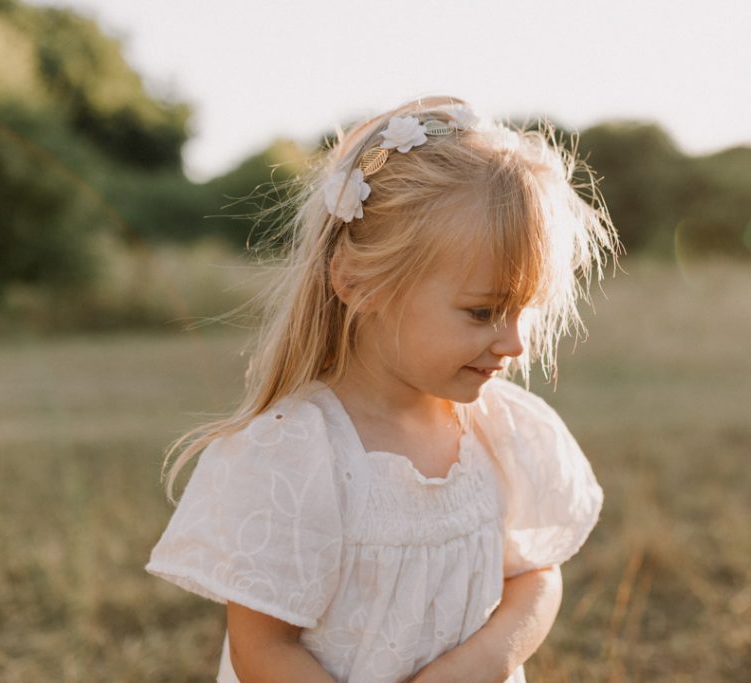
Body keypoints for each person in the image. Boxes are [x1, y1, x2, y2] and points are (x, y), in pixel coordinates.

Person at [145, 95, 619, 683]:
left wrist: (475, 666)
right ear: (357, 282)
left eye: (524, 311)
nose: (515, 343)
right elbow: (263, 650)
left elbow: (535, 575)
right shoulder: (298, 451)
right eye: (482, 312)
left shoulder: (503, 430)